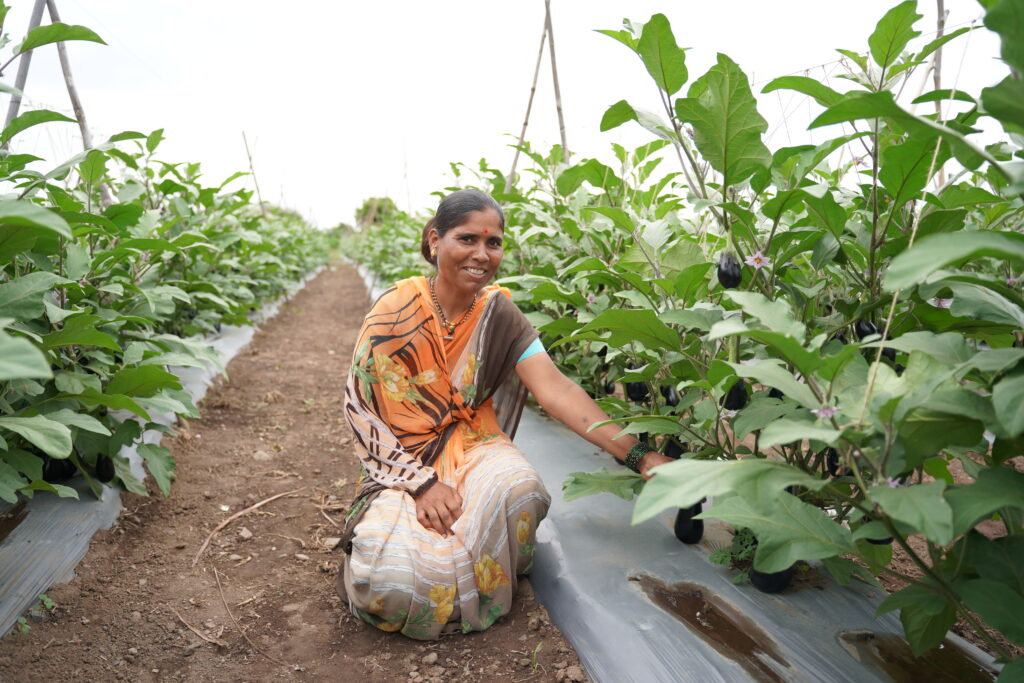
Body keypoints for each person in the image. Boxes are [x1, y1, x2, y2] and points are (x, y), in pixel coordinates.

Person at [337, 188, 672, 639]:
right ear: (435, 240)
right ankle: (441, 567)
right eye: (467, 239)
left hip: (474, 445)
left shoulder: (500, 314)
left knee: (521, 490)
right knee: (388, 584)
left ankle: (459, 568)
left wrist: (640, 456)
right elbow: (360, 409)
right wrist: (420, 484)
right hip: (401, 463)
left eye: (493, 243)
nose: (482, 254)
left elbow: (557, 391)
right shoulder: (394, 311)